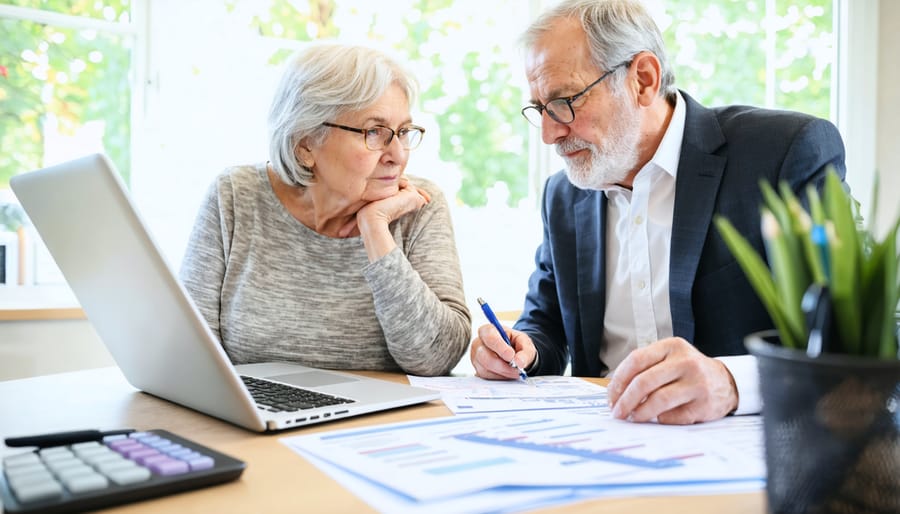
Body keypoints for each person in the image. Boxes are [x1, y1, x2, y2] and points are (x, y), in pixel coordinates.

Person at [470, 0, 846, 424]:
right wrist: (521, 349)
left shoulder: (783, 154)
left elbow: (853, 335)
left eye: (563, 101)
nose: (549, 133)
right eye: (540, 109)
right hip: (599, 445)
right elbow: (547, 326)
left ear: (643, 80)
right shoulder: (564, 196)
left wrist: (732, 382)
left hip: (740, 445)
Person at [180, 44, 471, 377]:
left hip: (380, 424)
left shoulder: (419, 205)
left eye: (403, 132)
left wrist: (376, 230)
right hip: (257, 418)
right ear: (306, 145)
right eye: (374, 132)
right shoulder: (234, 196)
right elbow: (189, 349)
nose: (398, 154)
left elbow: (436, 358)